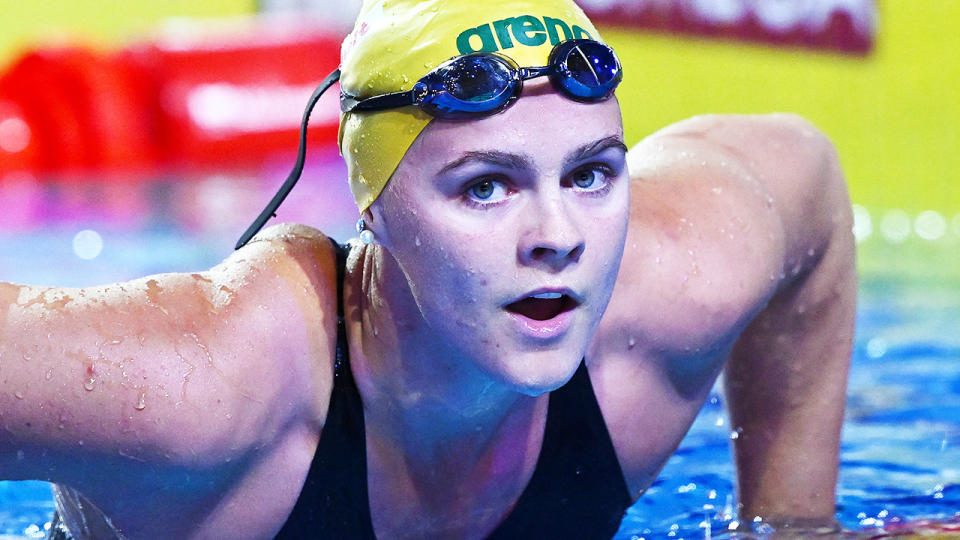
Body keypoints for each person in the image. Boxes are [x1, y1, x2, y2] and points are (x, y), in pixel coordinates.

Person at [0, 0, 856, 538]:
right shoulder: (206, 385)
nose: (559, 234)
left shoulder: (670, 292)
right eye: (487, 186)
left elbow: (807, 181)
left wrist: (791, 522)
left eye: (591, 173)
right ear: (370, 203)